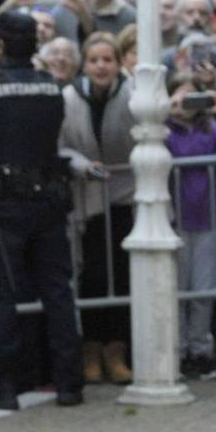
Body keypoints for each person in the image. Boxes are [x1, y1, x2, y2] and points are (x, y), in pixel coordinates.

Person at [0, 11, 84, 409]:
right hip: (48, 200)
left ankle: (2, 387)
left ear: (0, 45)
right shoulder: (50, 86)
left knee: (3, 296)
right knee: (58, 294)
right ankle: (69, 384)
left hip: (3, 205)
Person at [57, 31, 137, 386]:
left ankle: (117, 350)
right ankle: (91, 349)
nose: (101, 66)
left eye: (108, 60)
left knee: (121, 274)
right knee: (91, 275)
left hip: (127, 196)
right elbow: (61, 145)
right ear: (84, 65)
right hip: (87, 197)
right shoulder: (70, 97)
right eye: (94, 60)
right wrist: (81, 165)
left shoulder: (134, 93)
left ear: (118, 63)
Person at [165, 74, 216, 381]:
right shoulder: (163, 131)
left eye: (191, 98)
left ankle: (200, 348)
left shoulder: (211, 129)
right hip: (175, 219)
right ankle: (178, 349)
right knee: (177, 286)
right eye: (179, 98)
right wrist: (163, 111)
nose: (185, 105)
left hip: (209, 218)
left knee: (203, 288)